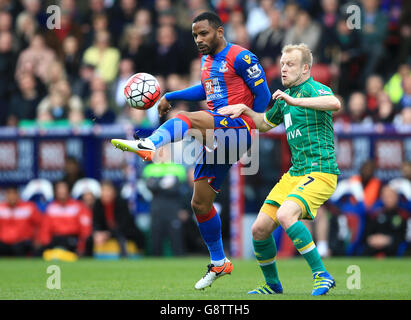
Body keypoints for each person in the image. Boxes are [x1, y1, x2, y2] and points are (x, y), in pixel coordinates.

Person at [111, 11, 271, 289]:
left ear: (220, 32)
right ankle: (220, 262)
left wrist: (252, 125)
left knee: (185, 119)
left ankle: (150, 144)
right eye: (195, 35)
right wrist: (170, 96)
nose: (198, 39)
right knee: (200, 204)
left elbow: (264, 95)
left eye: (204, 33)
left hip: (238, 128)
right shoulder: (207, 61)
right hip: (218, 133)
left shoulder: (242, 57)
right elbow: (206, 91)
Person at [219, 43, 341, 296]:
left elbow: (335, 103)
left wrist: (295, 99)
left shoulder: (312, 89)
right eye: (283, 64)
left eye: (291, 64)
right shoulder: (284, 101)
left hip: (321, 172)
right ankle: (273, 285)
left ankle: (322, 275)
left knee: (286, 216)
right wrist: (245, 111)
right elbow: (264, 124)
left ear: (306, 68)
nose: (284, 69)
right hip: (296, 174)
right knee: (259, 229)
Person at [0, 185, 43, 256]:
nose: (11, 196)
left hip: (23, 242)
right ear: (5, 195)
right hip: (3, 243)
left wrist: (38, 239)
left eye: (14, 193)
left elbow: (40, 224)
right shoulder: (1, 208)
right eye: (9, 194)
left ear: (18, 195)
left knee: (19, 248)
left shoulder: (29, 207)